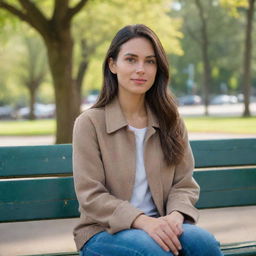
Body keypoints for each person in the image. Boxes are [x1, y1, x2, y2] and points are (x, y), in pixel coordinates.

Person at [72, 24, 223, 256]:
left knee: (206, 245)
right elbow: (91, 196)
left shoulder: (170, 121)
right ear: (113, 64)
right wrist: (143, 222)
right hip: (103, 232)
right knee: (154, 252)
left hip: (161, 223)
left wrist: (175, 216)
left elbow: (184, 184)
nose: (141, 69)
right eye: (131, 59)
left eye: (150, 61)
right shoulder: (90, 123)